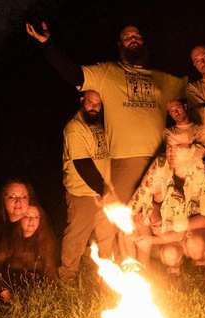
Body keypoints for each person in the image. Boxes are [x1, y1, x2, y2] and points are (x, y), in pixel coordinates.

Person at [26, 22, 187, 203]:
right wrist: (48, 45)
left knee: (162, 215)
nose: (133, 39)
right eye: (127, 37)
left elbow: (192, 88)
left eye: (137, 36)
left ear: (143, 42)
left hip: (160, 160)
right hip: (124, 162)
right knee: (127, 216)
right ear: (120, 45)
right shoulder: (108, 73)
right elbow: (74, 74)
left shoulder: (162, 79)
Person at [128, 139, 205, 275]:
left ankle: (201, 264)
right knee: (168, 252)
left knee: (195, 245)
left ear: (191, 150)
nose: (171, 152)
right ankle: (145, 269)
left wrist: (172, 227)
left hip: (196, 228)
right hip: (171, 225)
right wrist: (128, 218)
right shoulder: (161, 164)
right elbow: (141, 195)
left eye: (178, 147)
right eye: (169, 146)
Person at [0, 179, 59, 302]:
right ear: (3, 199)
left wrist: (56, 293)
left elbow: (49, 268)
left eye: (23, 197)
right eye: (12, 197)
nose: (18, 201)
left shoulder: (40, 227)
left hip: (19, 287)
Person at [59, 90, 117, 283]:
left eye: (98, 104)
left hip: (103, 190)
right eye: (90, 102)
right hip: (82, 192)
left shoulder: (99, 124)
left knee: (106, 233)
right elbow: (82, 164)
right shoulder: (74, 128)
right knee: (77, 235)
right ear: (82, 100)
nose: (94, 107)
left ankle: (106, 276)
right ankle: (68, 275)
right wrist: (104, 191)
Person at [0, 206, 59, 303]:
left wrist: (54, 294)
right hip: (6, 286)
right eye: (27, 216)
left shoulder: (45, 239)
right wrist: (3, 291)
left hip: (31, 289)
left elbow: (50, 269)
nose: (32, 221)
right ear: (19, 219)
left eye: (36, 217)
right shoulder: (8, 240)